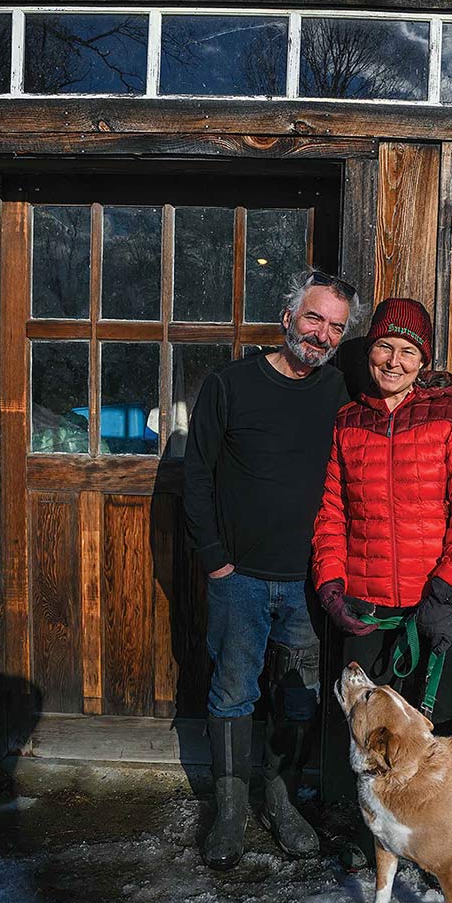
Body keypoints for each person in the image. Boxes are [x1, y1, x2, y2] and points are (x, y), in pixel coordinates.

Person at [183, 270, 359, 870]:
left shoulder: (337, 389)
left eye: (336, 327)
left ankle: (282, 799)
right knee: (233, 689)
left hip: (309, 580)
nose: (323, 334)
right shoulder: (230, 384)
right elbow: (197, 476)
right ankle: (230, 810)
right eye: (315, 319)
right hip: (241, 578)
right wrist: (216, 562)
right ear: (287, 317)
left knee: (300, 696)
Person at [312, 297, 452, 832]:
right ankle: (372, 832)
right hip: (368, 607)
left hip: (443, 603)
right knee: (366, 730)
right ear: (371, 351)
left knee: (445, 729)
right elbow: (331, 511)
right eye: (385, 347)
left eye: (408, 351)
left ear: (424, 360)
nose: (394, 360)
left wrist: (444, 593)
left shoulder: (451, 416)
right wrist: (331, 586)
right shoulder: (348, 422)